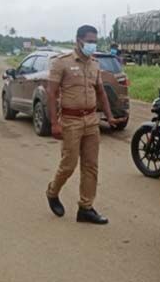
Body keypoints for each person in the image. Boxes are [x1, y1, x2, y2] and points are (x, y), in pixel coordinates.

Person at [45, 24, 124, 225]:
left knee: (91, 166)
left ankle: (86, 208)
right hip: (71, 121)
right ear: (78, 40)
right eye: (89, 41)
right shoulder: (61, 63)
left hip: (91, 120)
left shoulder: (95, 64)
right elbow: (51, 94)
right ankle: (53, 191)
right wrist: (54, 123)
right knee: (69, 164)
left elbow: (101, 92)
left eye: (94, 41)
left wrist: (109, 116)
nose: (92, 44)